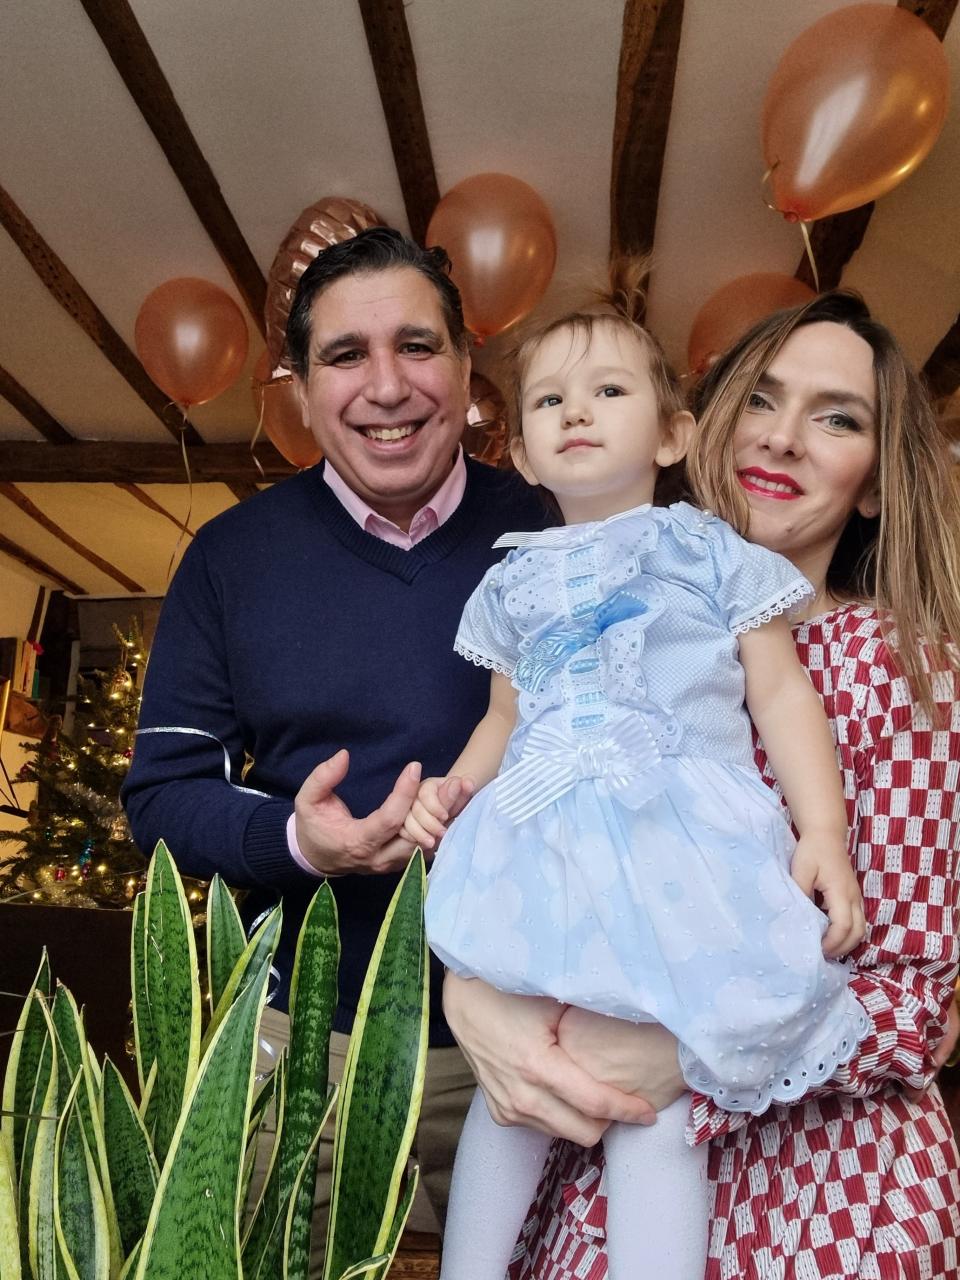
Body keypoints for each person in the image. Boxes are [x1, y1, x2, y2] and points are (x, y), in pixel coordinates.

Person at [441, 290, 960, 1280]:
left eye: (838, 416)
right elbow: (530, 825)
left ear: (876, 484)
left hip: (821, 1202)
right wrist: (478, 999)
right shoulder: (587, 610)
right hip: (589, 1170)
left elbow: (913, 1000)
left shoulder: (900, 664)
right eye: (763, 398)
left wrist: (684, 1053)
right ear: (707, 425)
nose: (786, 438)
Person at [121, 227, 596, 1260]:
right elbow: (161, 795)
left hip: (542, 1043)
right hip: (307, 1059)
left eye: (417, 346)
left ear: (468, 367)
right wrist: (299, 840)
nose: (387, 385)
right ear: (298, 386)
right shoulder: (231, 557)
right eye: (345, 355)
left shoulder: (565, 527)